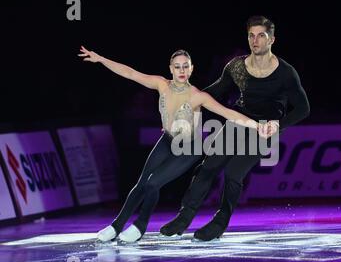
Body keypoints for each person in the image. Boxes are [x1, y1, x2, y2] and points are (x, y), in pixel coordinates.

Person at [78, 46, 271, 242]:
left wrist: (257, 126)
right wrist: (101, 59)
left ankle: (140, 225)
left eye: (185, 66)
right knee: (142, 183)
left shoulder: (198, 96)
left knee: (153, 183)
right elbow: (130, 73)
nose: (181, 71)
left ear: (191, 69)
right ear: (171, 69)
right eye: (177, 67)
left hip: (189, 149)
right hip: (168, 141)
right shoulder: (161, 84)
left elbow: (228, 113)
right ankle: (116, 226)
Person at [160, 16, 310, 241]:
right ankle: (184, 218)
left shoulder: (285, 73)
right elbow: (215, 92)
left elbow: (303, 108)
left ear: (272, 40)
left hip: (263, 130)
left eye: (261, 35)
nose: (255, 40)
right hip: (238, 120)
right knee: (208, 167)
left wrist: (278, 125)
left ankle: (220, 222)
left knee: (233, 173)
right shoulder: (237, 66)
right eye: (251, 35)